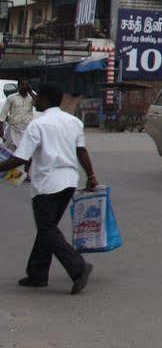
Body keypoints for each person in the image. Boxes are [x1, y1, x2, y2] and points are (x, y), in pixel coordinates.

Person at [0, 81, 97, 294]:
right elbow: (81, 152)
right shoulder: (73, 122)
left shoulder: (38, 124)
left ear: (45, 99)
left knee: (47, 229)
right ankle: (37, 273)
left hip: (47, 185)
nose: (35, 100)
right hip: (69, 182)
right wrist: (91, 176)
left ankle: (78, 267)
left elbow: (19, 158)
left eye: (38, 97)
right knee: (47, 228)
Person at [1, 79, 37, 150]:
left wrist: (31, 92)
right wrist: (1, 127)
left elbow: (38, 104)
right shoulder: (11, 97)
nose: (24, 86)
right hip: (13, 129)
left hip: (26, 129)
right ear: (18, 86)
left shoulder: (31, 98)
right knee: (9, 150)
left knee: (24, 150)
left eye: (26, 85)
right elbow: (3, 113)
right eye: (22, 84)